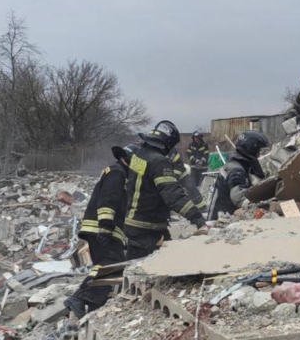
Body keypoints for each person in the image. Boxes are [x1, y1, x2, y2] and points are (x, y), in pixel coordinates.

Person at [64, 144, 136, 318]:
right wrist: (105, 226)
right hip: (101, 229)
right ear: (126, 160)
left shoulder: (117, 173)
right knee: (110, 266)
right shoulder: (117, 173)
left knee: (105, 266)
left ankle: (93, 306)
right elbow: (108, 199)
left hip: (100, 229)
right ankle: (79, 299)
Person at [124, 120, 207, 260]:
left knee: (136, 268)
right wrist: (198, 218)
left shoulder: (139, 155)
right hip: (148, 229)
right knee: (149, 273)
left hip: (135, 224)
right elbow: (173, 196)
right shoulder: (158, 161)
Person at [208, 131, 269, 220]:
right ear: (251, 149)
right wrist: (256, 207)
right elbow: (238, 196)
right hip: (221, 220)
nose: (259, 155)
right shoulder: (236, 170)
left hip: (225, 214)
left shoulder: (239, 164)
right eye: (258, 151)